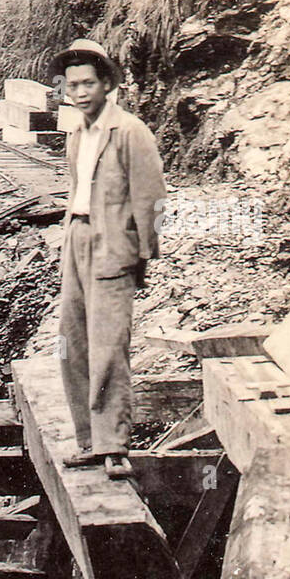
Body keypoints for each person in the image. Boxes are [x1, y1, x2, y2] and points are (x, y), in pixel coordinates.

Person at [50, 38, 166, 480]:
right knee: (73, 342)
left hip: (113, 247)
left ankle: (114, 445)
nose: (79, 92)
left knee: (109, 346)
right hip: (77, 239)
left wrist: (143, 256)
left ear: (106, 85)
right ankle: (88, 440)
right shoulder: (77, 133)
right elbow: (78, 191)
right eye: (72, 85)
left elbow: (151, 197)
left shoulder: (130, 131)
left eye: (88, 84)